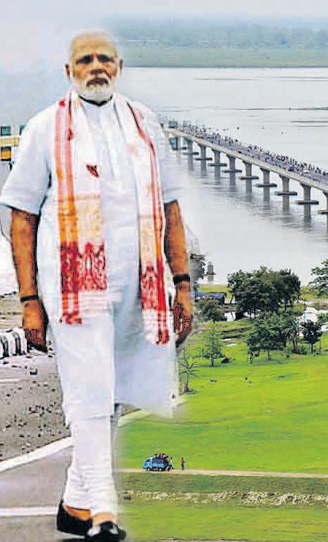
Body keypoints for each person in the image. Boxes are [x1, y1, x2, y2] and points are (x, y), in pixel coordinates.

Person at [1, 30, 192, 541]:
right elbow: (20, 218)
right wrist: (29, 300)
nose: (96, 67)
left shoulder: (145, 125)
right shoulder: (45, 129)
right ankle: (104, 514)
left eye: (104, 59)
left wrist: (184, 284)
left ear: (119, 66)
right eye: (85, 60)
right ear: (69, 71)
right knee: (88, 391)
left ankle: (74, 503)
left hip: (136, 285)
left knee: (109, 395)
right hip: (72, 288)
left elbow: (171, 208)